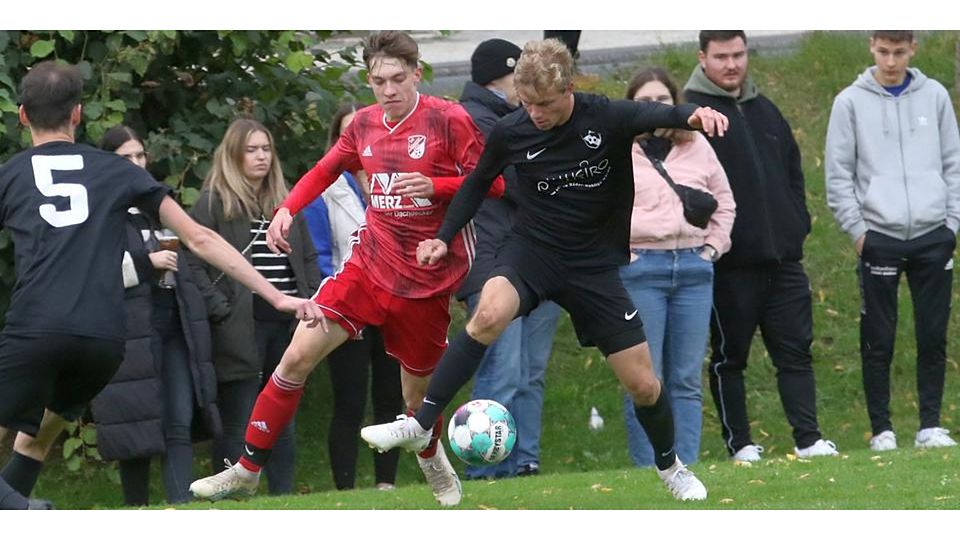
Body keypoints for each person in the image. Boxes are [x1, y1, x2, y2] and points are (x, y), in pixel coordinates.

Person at [361, 38, 730, 502]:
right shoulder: (511, 130)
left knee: (643, 384)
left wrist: (697, 114)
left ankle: (670, 466)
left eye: (546, 105)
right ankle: (420, 423)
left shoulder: (605, 116)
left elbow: (665, 114)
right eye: (528, 103)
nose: (535, 114)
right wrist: (443, 235)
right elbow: (476, 183)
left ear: (568, 89)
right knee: (487, 315)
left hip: (592, 265)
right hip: (532, 251)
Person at [189, 31, 503, 507]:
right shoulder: (365, 125)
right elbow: (325, 169)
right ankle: (246, 470)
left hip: (425, 279)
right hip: (367, 266)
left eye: (398, 78)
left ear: (417, 74)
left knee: (416, 399)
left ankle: (431, 454)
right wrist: (287, 209)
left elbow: (493, 184)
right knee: (296, 357)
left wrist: (436, 185)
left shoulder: (449, 119)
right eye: (379, 81)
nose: (389, 89)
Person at [0, 61, 320, 510]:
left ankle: (25, 513)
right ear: (77, 114)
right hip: (103, 342)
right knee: (33, 442)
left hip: (36, 329)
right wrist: (276, 294)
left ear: (21, 115)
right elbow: (199, 238)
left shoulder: (10, 175)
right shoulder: (116, 170)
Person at [683, 31, 837, 462]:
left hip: (784, 259)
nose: (732, 64)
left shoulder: (765, 109)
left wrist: (797, 224)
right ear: (702, 58)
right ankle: (741, 444)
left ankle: (808, 439)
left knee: (796, 353)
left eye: (738, 54)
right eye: (721, 57)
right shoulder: (692, 114)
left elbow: (792, 172)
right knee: (730, 358)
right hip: (730, 264)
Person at [825, 30, 960, 451]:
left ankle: (930, 426)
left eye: (899, 52)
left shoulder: (935, 96)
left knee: (932, 334)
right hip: (879, 236)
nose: (890, 61)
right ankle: (881, 430)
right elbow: (838, 174)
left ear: (912, 49)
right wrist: (858, 232)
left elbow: (953, 162)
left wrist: (952, 224)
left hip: (933, 234)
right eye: (883, 51)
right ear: (871, 46)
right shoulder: (849, 102)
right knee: (878, 338)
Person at [186, 118, 322, 495]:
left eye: (266, 149)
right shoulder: (214, 202)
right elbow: (191, 262)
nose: (261, 156)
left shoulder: (287, 202)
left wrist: (311, 298)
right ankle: (230, 494)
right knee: (239, 416)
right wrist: (219, 307)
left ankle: (283, 496)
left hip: (287, 322)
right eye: (251, 150)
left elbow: (308, 258)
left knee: (283, 415)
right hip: (239, 323)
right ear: (233, 155)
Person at [86, 125, 220, 506]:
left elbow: (189, 257)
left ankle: (182, 509)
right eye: (125, 157)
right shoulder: (99, 211)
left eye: (140, 155)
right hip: (127, 332)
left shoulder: (160, 205)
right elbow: (94, 275)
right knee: (136, 428)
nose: (136, 163)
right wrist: (147, 262)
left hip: (174, 326)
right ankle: (137, 512)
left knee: (179, 419)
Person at [619, 68, 735, 468]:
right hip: (641, 270)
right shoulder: (619, 149)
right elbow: (601, 210)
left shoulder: (697, 145)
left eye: (662, 101)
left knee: (685, 379)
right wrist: (626, 254)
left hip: (692, 269)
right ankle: (650, 468)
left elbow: (725, 201)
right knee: (644, 378)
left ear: (676, 103)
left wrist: (712, 249)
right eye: (644, 101)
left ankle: (687, 468)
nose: (654, 108)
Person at [458, 38, 561, 479]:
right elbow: (520, 184)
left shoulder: (519, 119)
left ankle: (523, 462)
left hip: (538, 257)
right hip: (494, 262)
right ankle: (484, 470)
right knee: (502, 371)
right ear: (498, 80)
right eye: (519, 79)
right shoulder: (477, 122)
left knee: (529, 371)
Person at [301, 103, 403, 491]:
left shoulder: (394, 179)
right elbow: (321, 256)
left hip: (393, 306)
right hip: (349, 308)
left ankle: (386, 483)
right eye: (351, 134)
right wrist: (343, 307)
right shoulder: (325, 190)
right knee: (350, 400)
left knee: (391, 398)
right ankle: (345, 489)